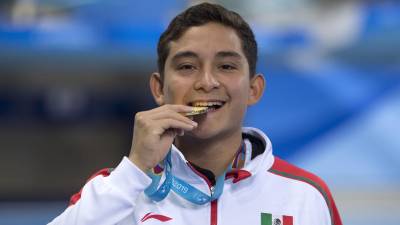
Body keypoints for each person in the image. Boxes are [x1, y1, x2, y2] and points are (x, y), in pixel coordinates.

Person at [49, 3, 342, 225]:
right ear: (159, 89)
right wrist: (136, 168)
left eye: (226, 66)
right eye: (187, 67)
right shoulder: (119, 189)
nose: (206, 81)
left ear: (254, 89)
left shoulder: (304, 195)